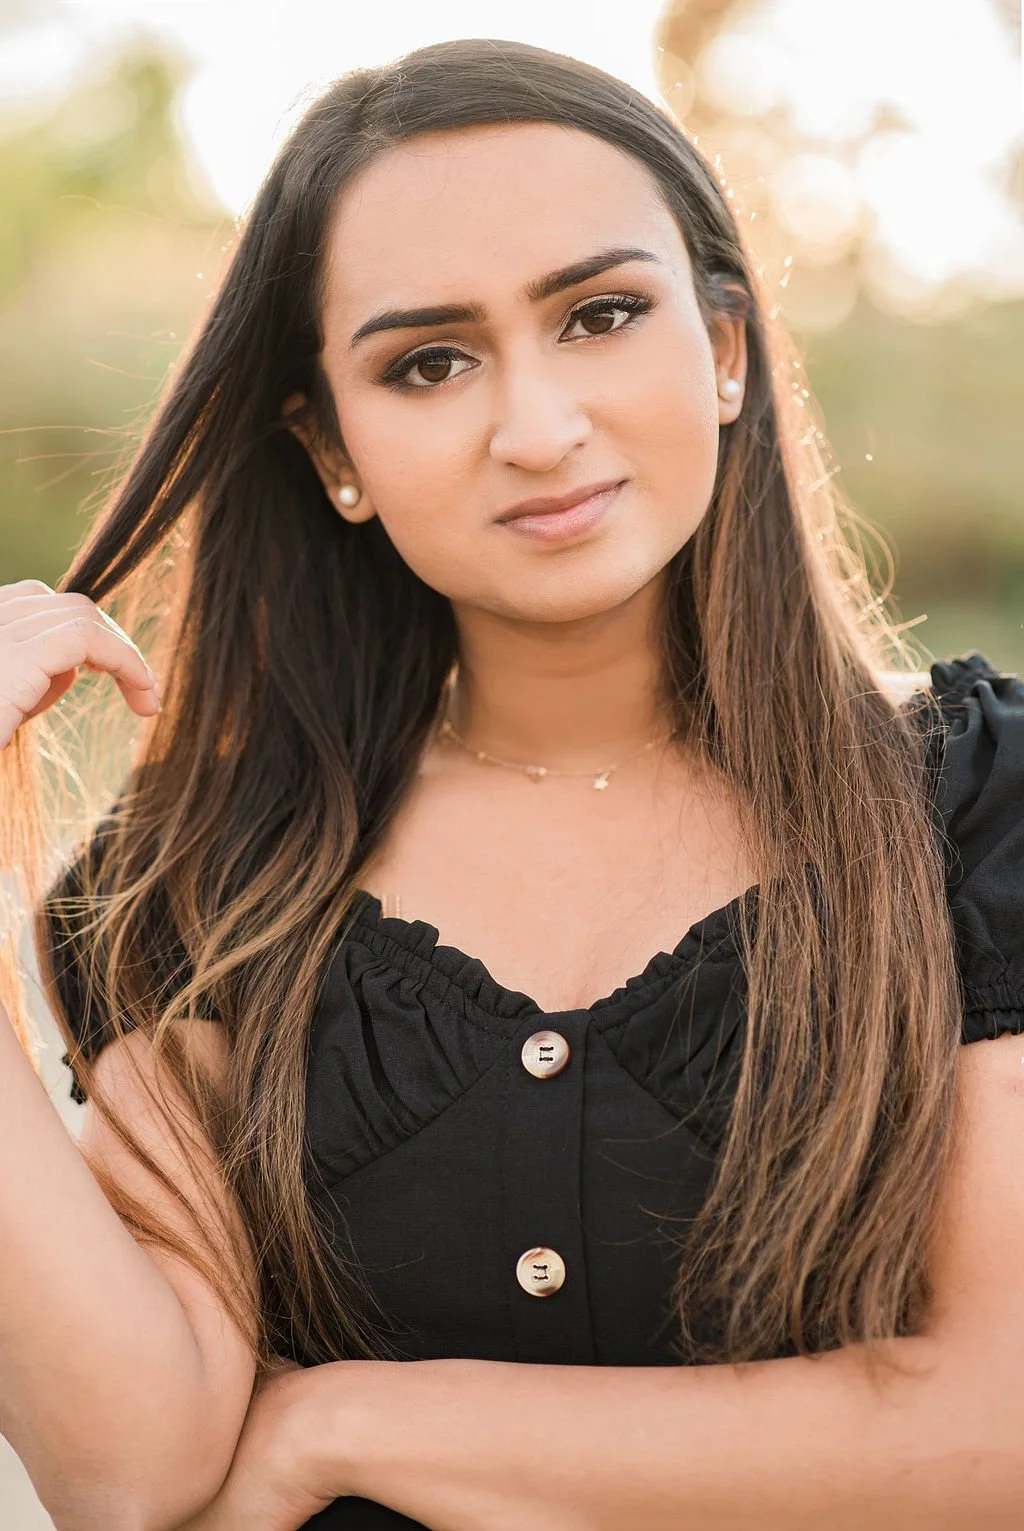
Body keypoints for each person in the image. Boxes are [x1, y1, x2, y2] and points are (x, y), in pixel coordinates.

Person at [1, 34, 1023, 1531]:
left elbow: (998, 1424)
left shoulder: (977, 814)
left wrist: (349, 1420)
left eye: (600, 315)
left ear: (725, 351)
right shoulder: (209, 878)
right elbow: (126, 1472)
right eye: (429, 363)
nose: (539, 433)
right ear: (333, 448)